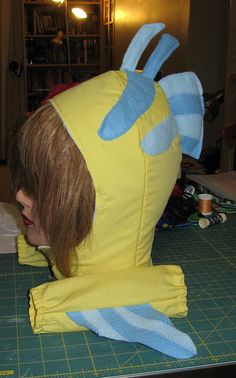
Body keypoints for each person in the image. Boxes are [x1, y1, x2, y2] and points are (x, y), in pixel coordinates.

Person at [11, 24, 204, 359]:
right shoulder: (66, 243)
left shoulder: (115, 301)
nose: (19, 197)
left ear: (107, 207)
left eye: (42, 188)